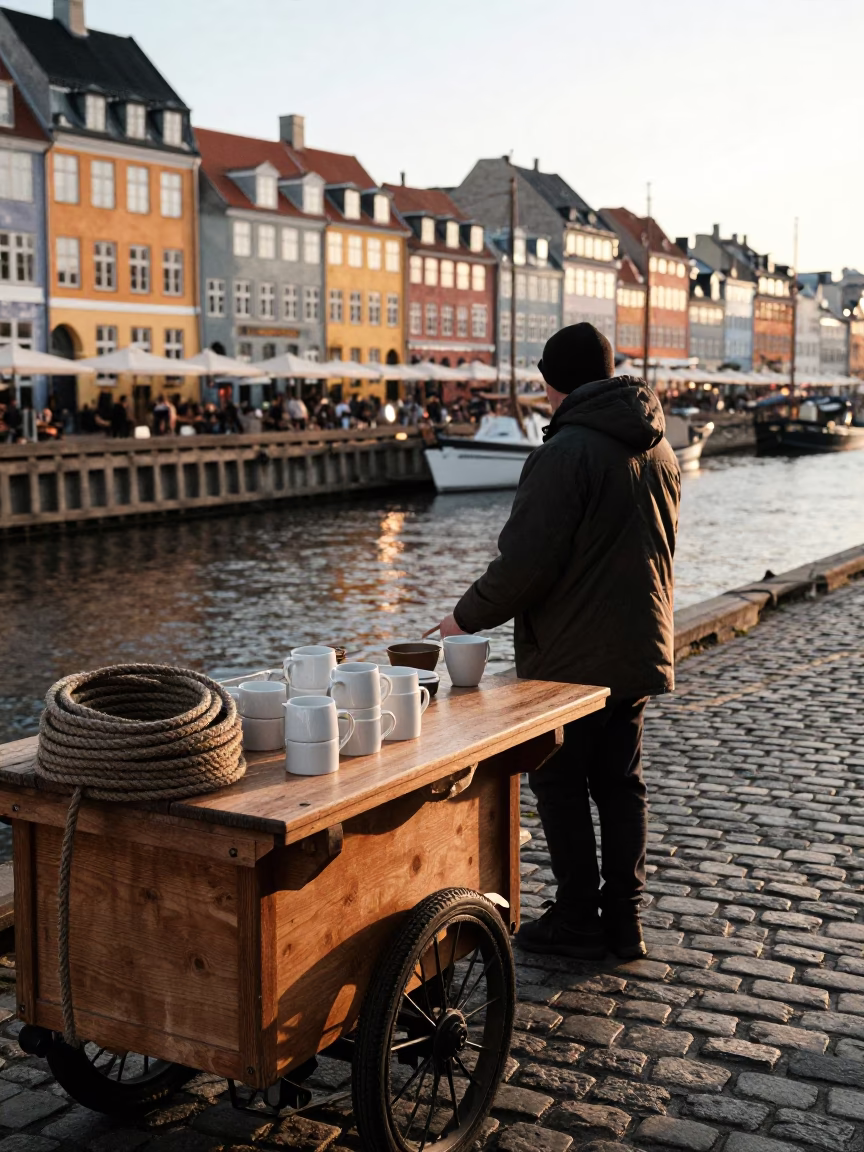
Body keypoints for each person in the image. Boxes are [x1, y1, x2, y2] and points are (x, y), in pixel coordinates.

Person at [431, 323, 680, 960]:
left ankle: (574, 917)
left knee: (562, 786)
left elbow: (526, 564)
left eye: (544, 382)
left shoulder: (565, 451)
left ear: (556, 382)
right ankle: (623, 923)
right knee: (623, 785)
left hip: (571, 659)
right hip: (638, 646)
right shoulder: (658, 447)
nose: (542, 396)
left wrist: (463, 618)